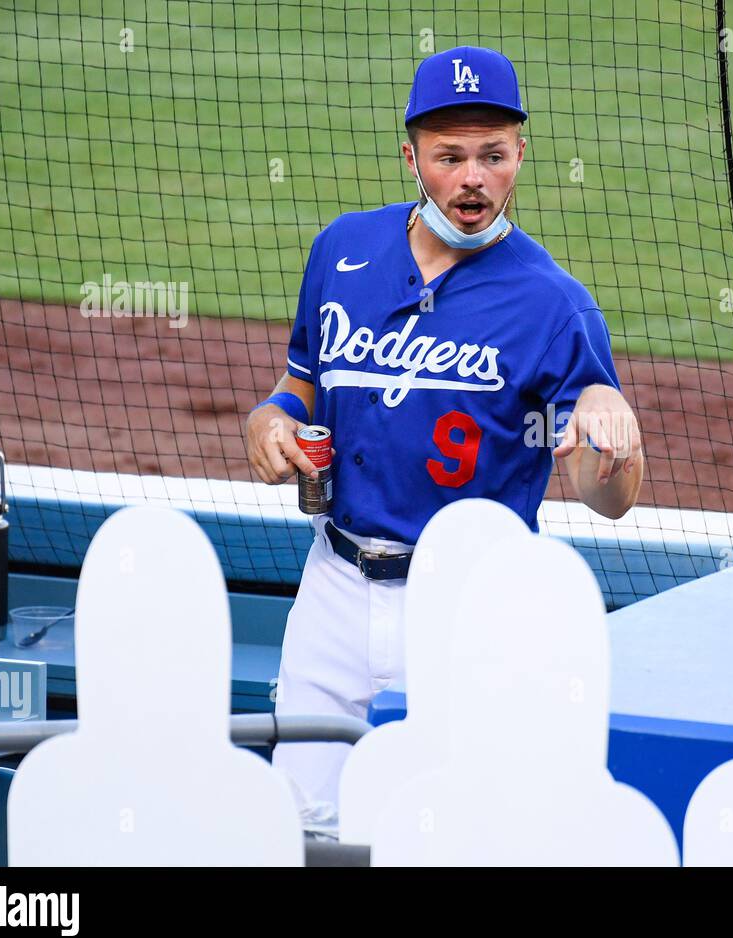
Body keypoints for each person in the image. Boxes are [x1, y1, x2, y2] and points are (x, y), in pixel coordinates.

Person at [244, 45, 644, 826]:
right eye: (450, 156)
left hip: (467, 608)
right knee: (298, 827)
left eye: (493, 156)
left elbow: (611, 503)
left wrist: (611, 439)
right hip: (333, 586)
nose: (473, 179)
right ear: (412, 156)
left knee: (449, 832)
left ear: (520, 155)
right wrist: (270, 420)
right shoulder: (341, 251)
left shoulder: (554, 304)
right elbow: (299, 386)